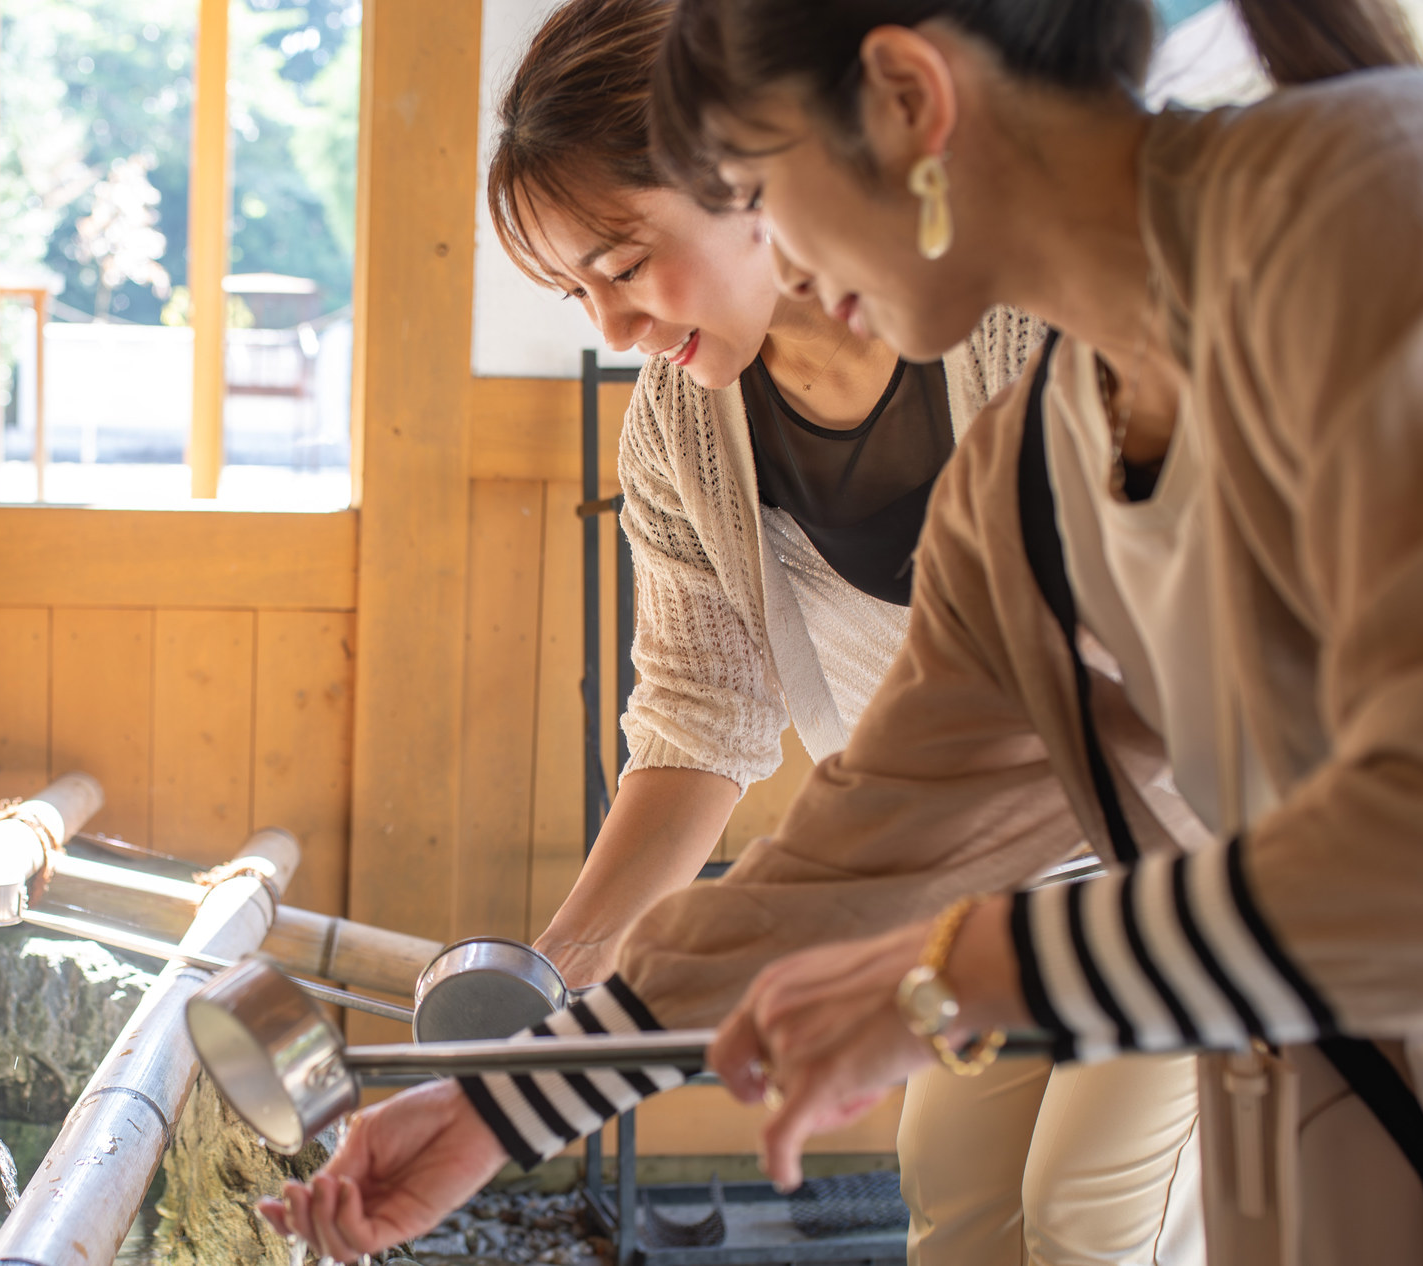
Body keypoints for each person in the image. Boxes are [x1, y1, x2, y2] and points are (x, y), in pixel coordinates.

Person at [264, 1, 1423, 1263]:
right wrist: (510, 1096)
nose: (774, 245)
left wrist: (986, 970)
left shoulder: (1365, 216)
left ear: (909, 104)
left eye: (761, 184)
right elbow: (877, 838)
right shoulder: (1028, 471)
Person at [476, 3, 1201, 1263]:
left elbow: (1131, 705)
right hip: (966, 871)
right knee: (957, 1197)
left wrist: (772, 945)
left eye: (627, 262)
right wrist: (565, 973)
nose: (613, 326)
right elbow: (701, 718)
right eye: (571, 289)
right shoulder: (679, 429)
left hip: (1189, 840)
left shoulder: (1042, 317)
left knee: (1088, 1208)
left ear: (750, 173)